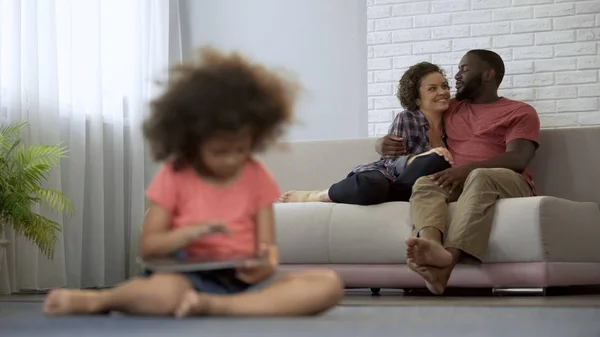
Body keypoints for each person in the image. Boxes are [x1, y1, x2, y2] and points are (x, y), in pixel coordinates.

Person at [43, 46, 343, 317]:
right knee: (164, 294)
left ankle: (216, 306)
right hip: (183, 277)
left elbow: (267, 247)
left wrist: (263, 263)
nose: (232, 160)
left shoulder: (257, 175)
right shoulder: (175, 175)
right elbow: (149, 248)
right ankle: (101, 301)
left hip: (240, 280)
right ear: (191, 140)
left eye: (241, 149)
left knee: (326, 284)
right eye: (219, 152)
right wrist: (190, 233)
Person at [382, 50, 540, 295]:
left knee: (480, 176)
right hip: (462, 181)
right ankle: (432, 251)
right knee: (426, 182)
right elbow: (415, 113)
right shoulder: (453, 108)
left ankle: (448, 260)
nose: (456, 76)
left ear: (488, 74)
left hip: (509, 182)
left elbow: (518, 158)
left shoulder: (519, 111)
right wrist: (381, 144)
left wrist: (466, 169)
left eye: (464, 69)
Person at [279, 62, 454, 206]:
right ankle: (315, 196)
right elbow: (391, 163)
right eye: (432, 88)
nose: (442, 92)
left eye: (444, 86)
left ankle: (390, 196)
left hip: (415, 187)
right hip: (386, 177)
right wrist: (424, 156)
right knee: (372, 186)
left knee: (437, 161)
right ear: (417, 98)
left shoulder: (455, 123)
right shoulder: (407, 118)